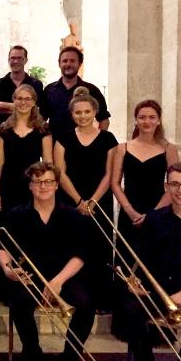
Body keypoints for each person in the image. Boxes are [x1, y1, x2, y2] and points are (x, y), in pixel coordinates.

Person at [0, 162, 97, 361]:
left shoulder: (72, 216)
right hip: (31, 277)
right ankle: (32, 359)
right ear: (30, 186)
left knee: (86, 305)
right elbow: (3, 250)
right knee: (19, 304)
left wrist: (58, 281)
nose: (43, 186)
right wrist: (7, 269)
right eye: (37, 182)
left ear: (56, 185)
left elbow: (80, 255)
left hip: (64, 277)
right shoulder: (16, 215)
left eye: (48, 181)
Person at [114, 162, 181, 361]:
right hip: (158, 288)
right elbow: (141, 260)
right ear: (167, 186)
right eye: (174, 184)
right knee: (130, 310)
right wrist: (135, 282)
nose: (180, 190)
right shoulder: (154, 219)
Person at [54, 87, 118, 312]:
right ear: (72, 114)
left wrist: (93, 201)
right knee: (72, 247)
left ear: (95, 112)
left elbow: (110, 174)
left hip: (99, 201)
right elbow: (60, 173)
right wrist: (79, 201)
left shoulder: (108, 138)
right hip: (71, 202)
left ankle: (100, 300)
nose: (82, 116)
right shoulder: (63, 138)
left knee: (99, 248)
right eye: (78, 112)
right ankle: (72, 296)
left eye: (86, 112)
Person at [0, 84, 52, 303]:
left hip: (34, 189)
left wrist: (46, 189)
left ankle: (31, 287)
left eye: (28, 99)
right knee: (6, 236)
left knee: (30, 237)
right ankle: (4, 288)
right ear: (14, 100)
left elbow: (48, 163)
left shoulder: (43, 129)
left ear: (34, 102)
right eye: (19, 98)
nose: (23, 102)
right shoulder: (4, 129)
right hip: (8, 188)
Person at [111, 100, 178, 255]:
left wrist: (153, 215)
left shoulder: (169, 149)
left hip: (159, 210)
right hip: (129, 212)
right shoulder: (123, 148)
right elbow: (114, 183)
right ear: (136, 120)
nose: (147, 121)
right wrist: (130, 211)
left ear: (159, 120)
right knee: (127, 259)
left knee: (156, 259)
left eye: (152, 117)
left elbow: (173, 184)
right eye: (142, 117)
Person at [41, 46, 110, 142]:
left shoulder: (92, 90)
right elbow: (42, 119)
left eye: (72, 61)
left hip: (83, 147)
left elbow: (103, 120)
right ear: (59, 64)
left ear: (80, 63)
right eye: (65, 61)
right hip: (55, 147)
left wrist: (96, 141)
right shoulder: (49, 90)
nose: (68, 64)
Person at [0, 45, 44, 126]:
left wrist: (3, 105)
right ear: (9, 60)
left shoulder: (36, 84)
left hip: (30, 132)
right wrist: (25, 108)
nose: (16, 61)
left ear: (26, 60)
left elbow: (35, 110)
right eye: (13, 58)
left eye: (19, 58)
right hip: (4, 132)